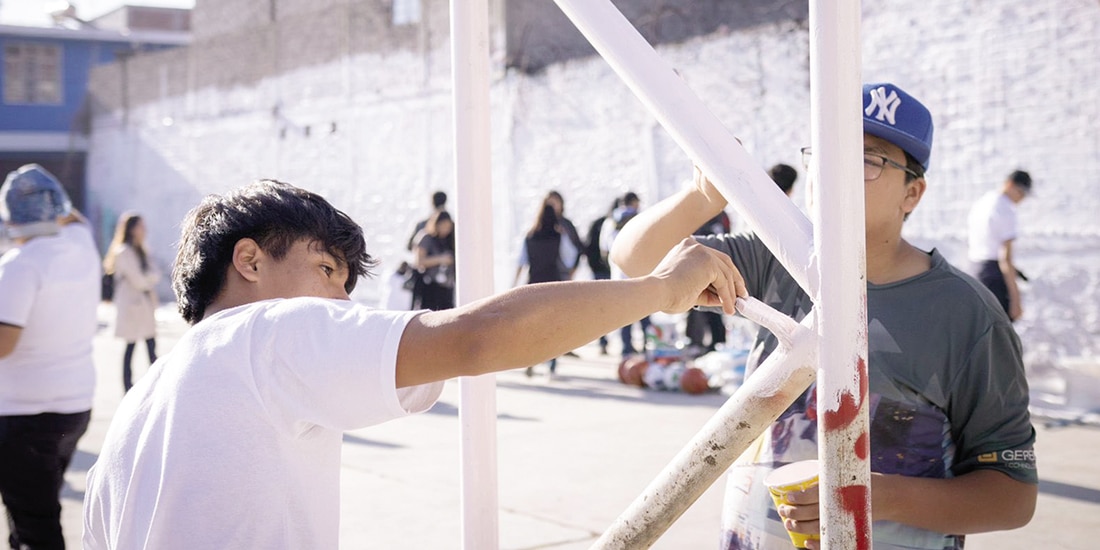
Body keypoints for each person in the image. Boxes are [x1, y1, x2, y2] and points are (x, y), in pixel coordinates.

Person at [81, 179, 741, 549]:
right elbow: (481, 337)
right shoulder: (270, 331)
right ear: (249, 261)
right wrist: (664, 289)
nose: (343, 298)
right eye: (328, 271)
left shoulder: (143, 405)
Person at [611, 83, 1037, 550]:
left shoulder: (966, 315)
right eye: (827, 152)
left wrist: (870, 494)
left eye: (869, 160)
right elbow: (635, 263)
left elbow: (1012, 494)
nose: (837, 171)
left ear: (912, 193)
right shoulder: (777, 258)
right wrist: (702, 193)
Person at [0, 164, 100, 549]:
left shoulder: (18, 266)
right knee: (37, 508)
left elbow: (5, 344)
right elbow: (73, 217)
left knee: (35, 525)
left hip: (23, 416)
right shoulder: (81, 243)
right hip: (74, 407)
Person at [513, 200, 579, 376]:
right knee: (553, 326)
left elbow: (522, 261)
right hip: (553, 284)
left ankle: (530, 361)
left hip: (533, 284)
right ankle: (552, 363)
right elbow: (570, 256)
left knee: (533, 326)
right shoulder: (559, 236)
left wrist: (514, 283)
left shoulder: (530, 236)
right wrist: (570, 274)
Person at [103, 212, 162, 392]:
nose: (145, 230)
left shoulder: (142, 249)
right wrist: (149, 278)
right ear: (132, 228)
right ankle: (127, 388)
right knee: (131, 347)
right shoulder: (123, 252)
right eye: (141, 226)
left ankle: (158, 384)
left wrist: (149, 278)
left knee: (151, 345)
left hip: (143, 305)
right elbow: (140, 280)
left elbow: (155, 273)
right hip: (131, 306)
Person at [967, 169, 1032, 321]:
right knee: (999, 335)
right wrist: (1016, 300)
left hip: (974, 270)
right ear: (1010, 184)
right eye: (1021, 192)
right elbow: (1006, 259)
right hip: (994, 275)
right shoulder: (1006, 209)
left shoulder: (983, 202)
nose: (1022, 199)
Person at [602, 192, 652, 357]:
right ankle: (647, 347)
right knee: (645, 314)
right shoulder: (640, 219)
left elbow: (605, 247)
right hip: (640, 274)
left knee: (625, 317)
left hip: (620, 276)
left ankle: (627, 349)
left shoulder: (611, 222)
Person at [685, 210, 732, 353]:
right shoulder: (697, 211)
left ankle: (717, 342)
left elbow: (727, 238)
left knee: (714, 305)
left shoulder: (721, 216)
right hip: (698, 266)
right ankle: (696, 341)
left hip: (716, 266)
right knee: (695, 305)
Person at [583, 197, 620, 355]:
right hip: (601, 272)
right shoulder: (601, 224)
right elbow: (590, 246)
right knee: (601, 310)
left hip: (610, 271)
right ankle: (603, 342)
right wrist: (596, 266)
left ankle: (606, 342)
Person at [412, 209, 456, 311]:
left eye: (448, 227)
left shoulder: (450, 240)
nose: (446, 229)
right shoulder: (426, 238)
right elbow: (419, 262)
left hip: (447, 286)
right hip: (429, 285)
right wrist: (440, 259)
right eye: (443, 226)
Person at [544, 190, 584, 279]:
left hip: (564, 272)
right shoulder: (542, 226)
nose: (552, 206)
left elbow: (578, 247)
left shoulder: (566, 225)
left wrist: (573, 268)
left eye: (555, 202)